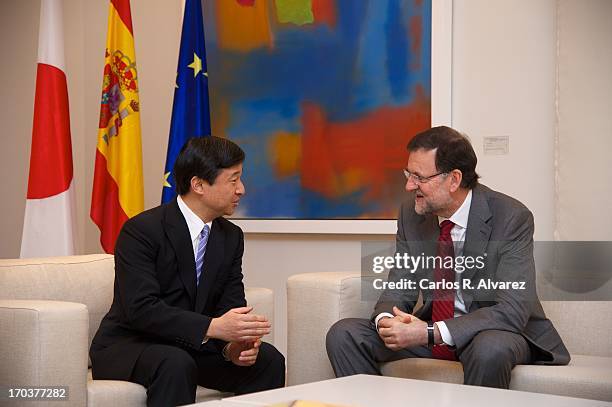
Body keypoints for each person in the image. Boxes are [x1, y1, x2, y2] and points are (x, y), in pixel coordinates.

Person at [326, 126, 570, 389]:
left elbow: (512, 310)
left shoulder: (511, 217)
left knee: (489, 348)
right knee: (345, 334)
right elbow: (399, 286)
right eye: (408, 174)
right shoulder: (412, 215)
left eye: (419, 177)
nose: (409, 186)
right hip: (430, 333)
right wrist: (387, 320)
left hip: (490, 332)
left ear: (454, 180)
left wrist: (431, 332)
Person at [90, 136, 285, 407]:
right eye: (233, 179)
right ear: (199, 184)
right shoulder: (142, 231)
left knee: (269, 360)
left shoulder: (230, 236)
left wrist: (232, 347)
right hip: (131, 345)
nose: (241, 189)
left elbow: (229, 303)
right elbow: (142, 309)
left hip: (189, 346)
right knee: (174, 362)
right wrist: (214, 327)